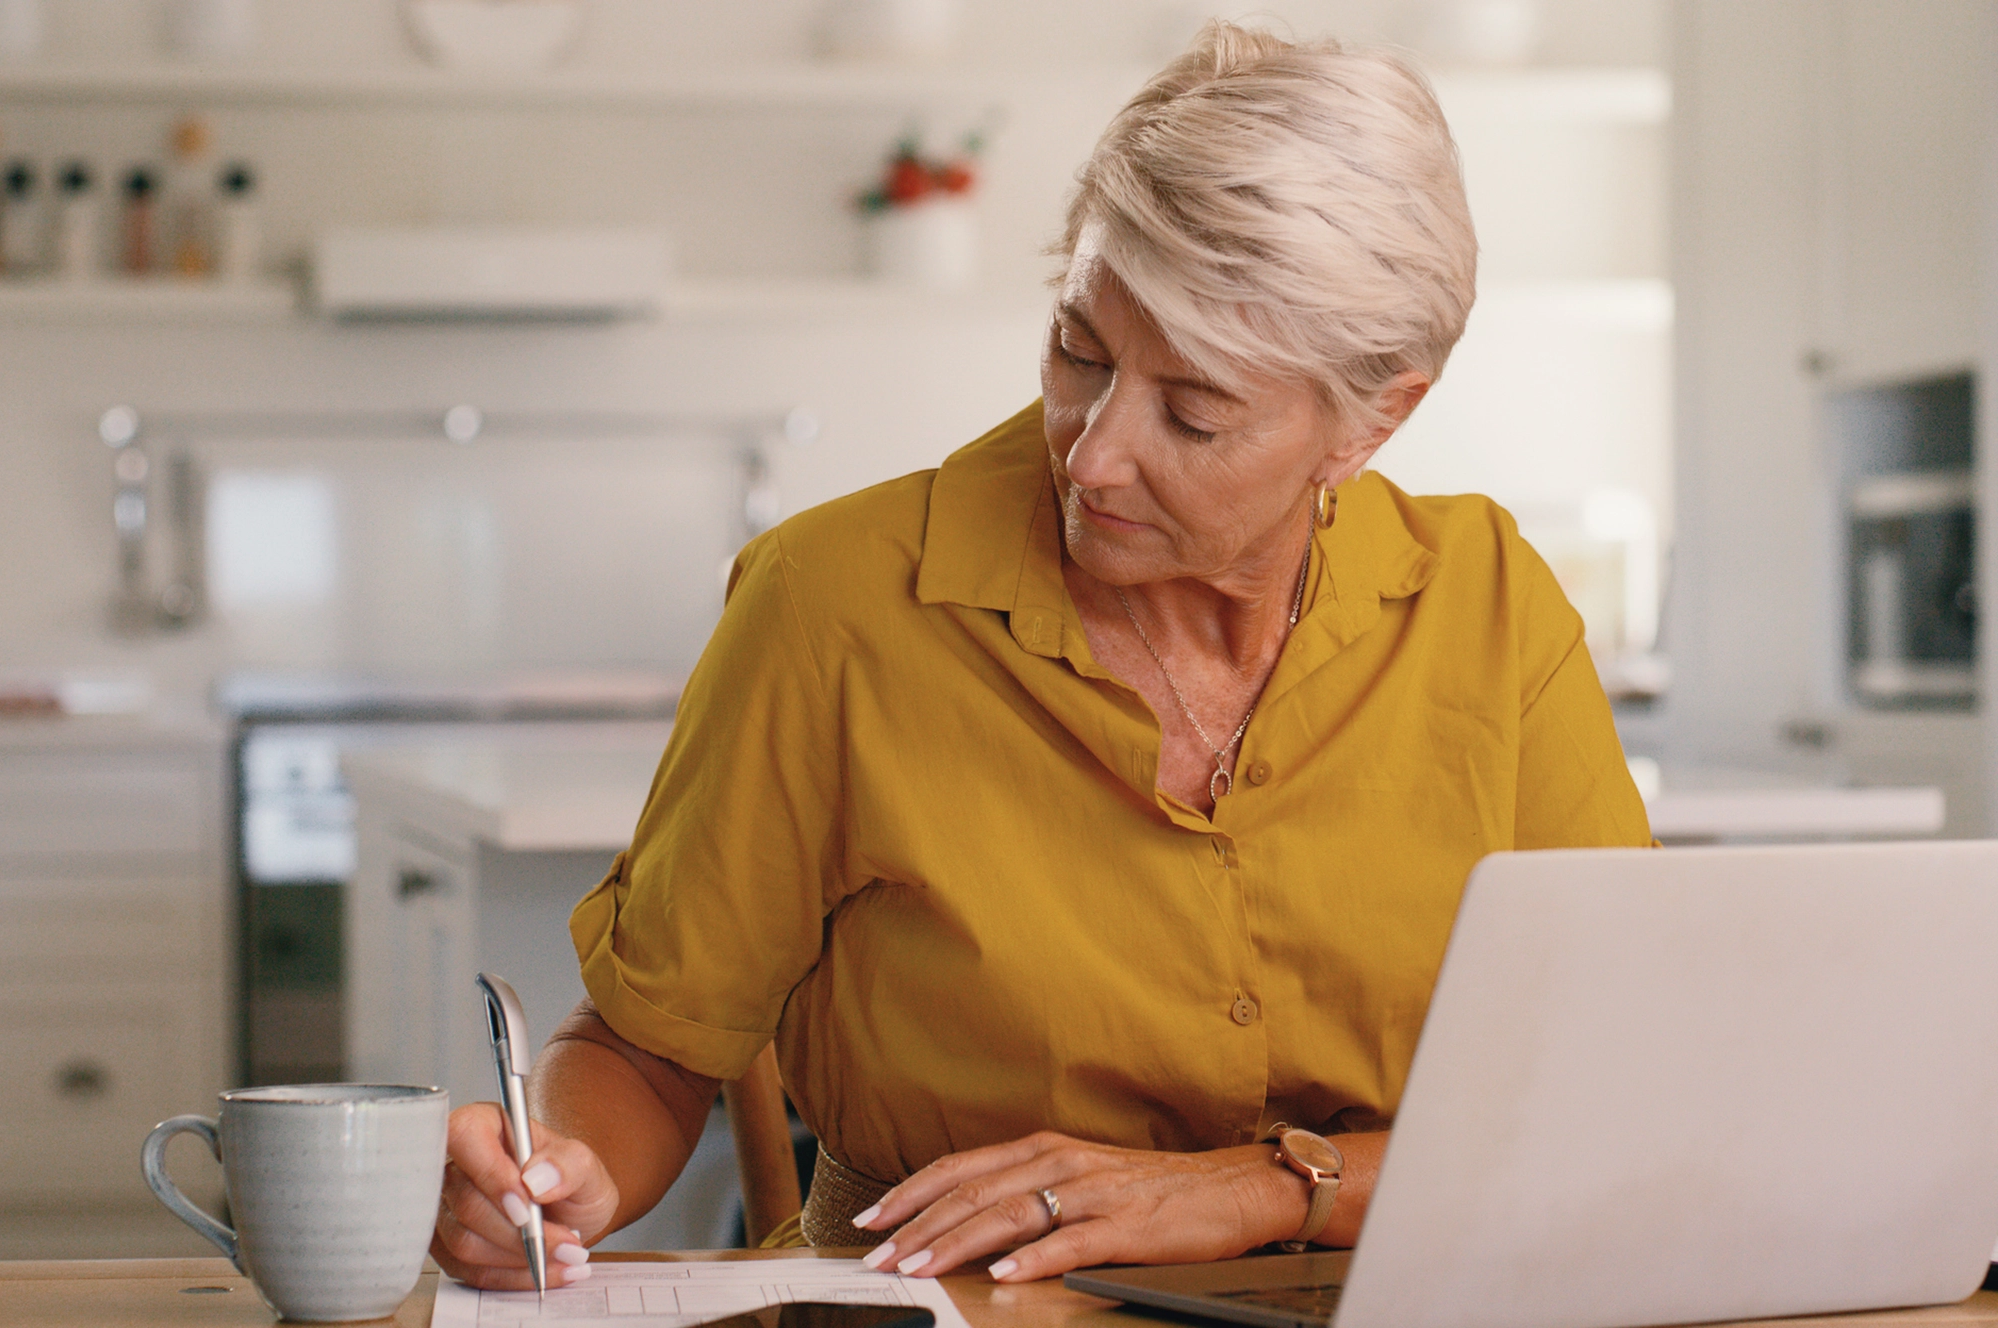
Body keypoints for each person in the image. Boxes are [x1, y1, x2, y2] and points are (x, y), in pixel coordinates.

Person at [431, 20, 1651, 1290]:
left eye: (1193, 410)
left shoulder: (1487, 602)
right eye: (1080, 349)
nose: (1093, 452)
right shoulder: (831, 605)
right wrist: (550, 1176)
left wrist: (1252, 1190)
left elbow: (1615, 1078)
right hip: (942, 1309)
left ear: (1374, 416)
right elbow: (651, 1047)